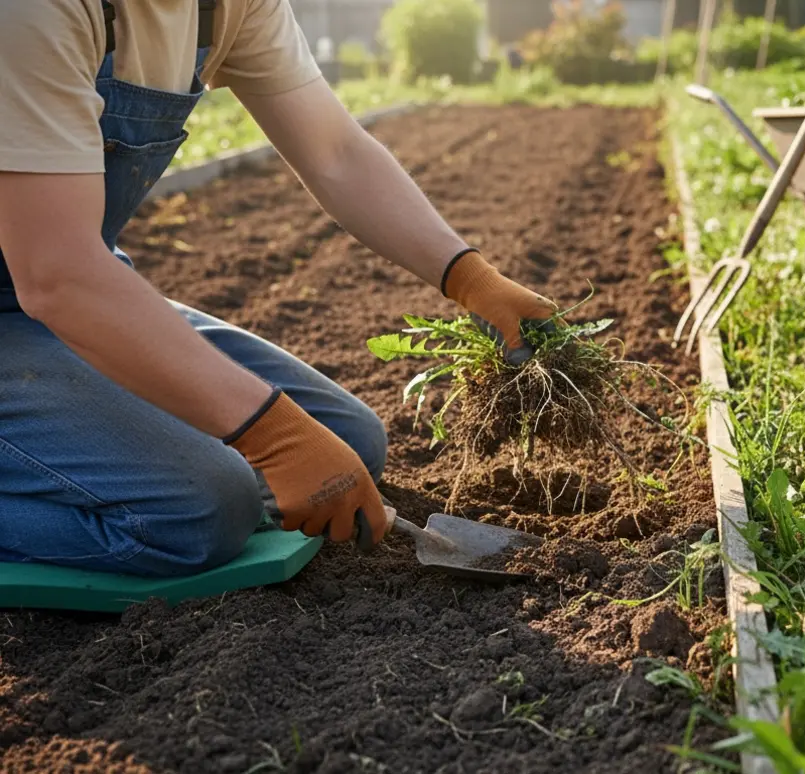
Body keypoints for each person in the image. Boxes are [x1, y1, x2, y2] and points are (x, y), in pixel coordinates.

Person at [0, 0, 558, 578]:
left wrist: (472, 280)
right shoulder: (35, 12)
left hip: (66, 289)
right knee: (200, 512)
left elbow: (336, 152)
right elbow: (58, 272)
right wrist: (274, 436)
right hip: (58, 282)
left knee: (348, 443)